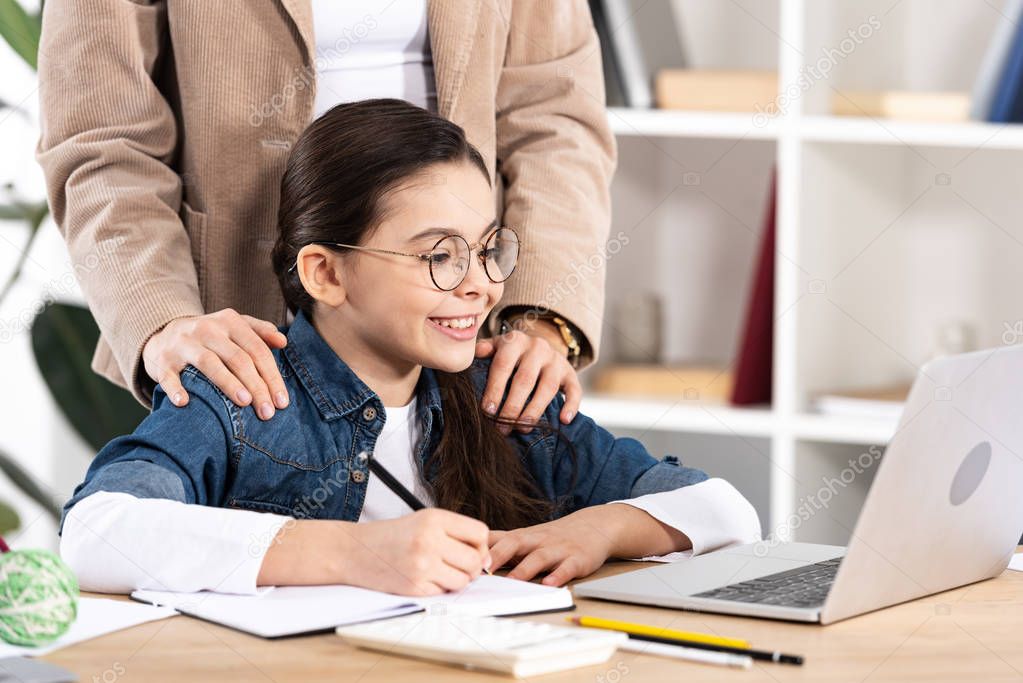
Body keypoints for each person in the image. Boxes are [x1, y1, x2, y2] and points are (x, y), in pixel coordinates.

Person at [58, 100, 760, 596]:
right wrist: (352, 553)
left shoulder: (498, 398)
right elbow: (96, 532)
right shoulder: (247, 394)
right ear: (325, 272)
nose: (481, 286)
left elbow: (726, 512)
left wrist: (600, 529)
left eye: (488, 250)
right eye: (438, 257)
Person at [36, 0, 616, 430]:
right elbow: (103, 142)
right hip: (233, 338)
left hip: (461, 336)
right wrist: (164, 319)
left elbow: (556, 119)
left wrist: (541, 314)